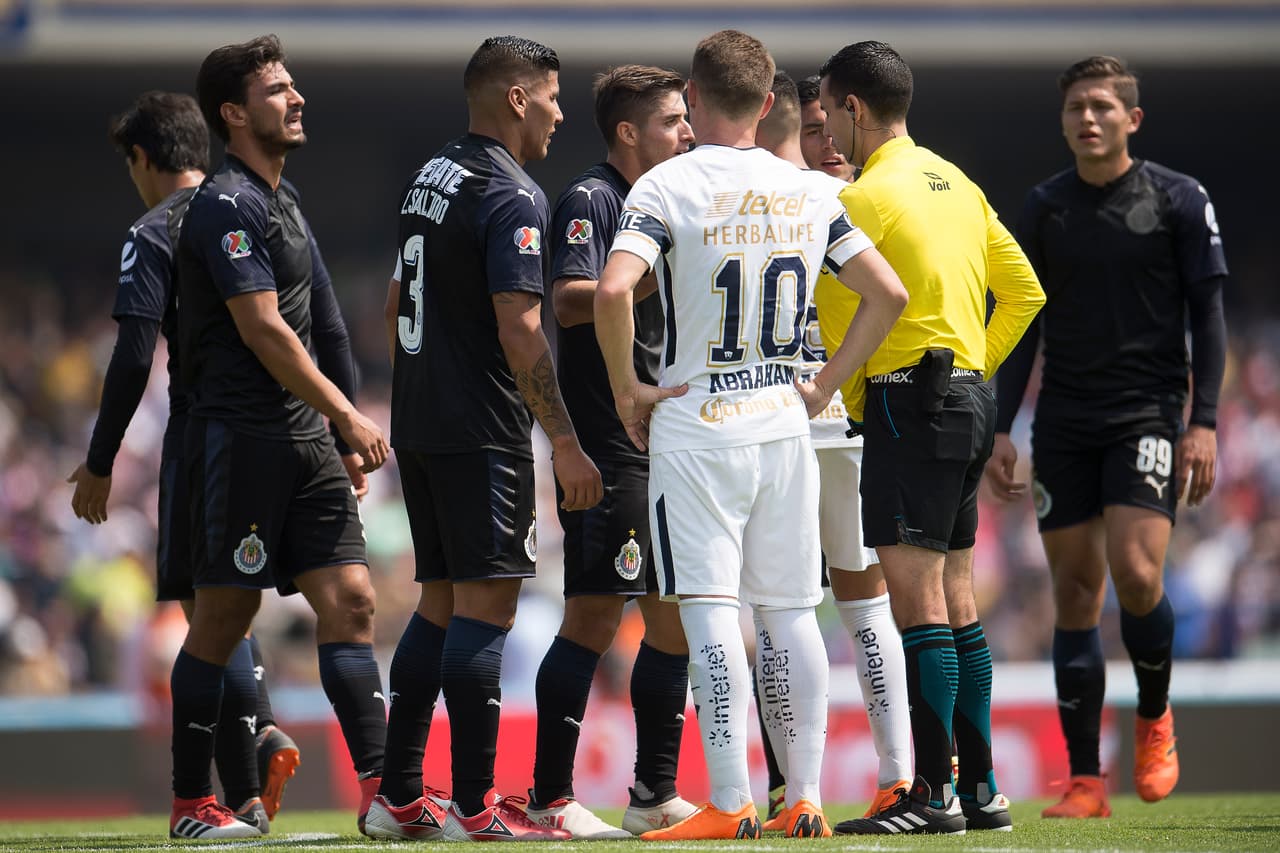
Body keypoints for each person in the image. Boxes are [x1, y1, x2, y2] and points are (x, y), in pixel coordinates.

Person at [595, 29, 908, 841]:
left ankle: (731, 798)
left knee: (709, 614)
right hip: (782, 423)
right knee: (792, 614)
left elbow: (612, 289)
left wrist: (628, 387)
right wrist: (828, 383)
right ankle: (802, 797)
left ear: (693, 100)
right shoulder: (807, 190)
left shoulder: (665, 185)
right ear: (770, 104)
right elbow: (889, 294)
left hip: (697, 426)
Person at [364, 36, 601, 843]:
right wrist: (565, 441)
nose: (561, 112)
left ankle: (398, 795)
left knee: (438, 601)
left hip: (424, 420)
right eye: (553, 96)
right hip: (481, 428)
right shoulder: (513, 194)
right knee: (488, 607)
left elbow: (397, 296)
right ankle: (474, 807)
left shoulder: (429, 177)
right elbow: (522, 325)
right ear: (516, 97)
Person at [987, 55, 1228, 819]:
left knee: (1136, 572)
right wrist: (1000, 425)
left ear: (1132, 119)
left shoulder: (1178, 200)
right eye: (1075, 109)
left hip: (1146, 413)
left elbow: (1209, 318)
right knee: (1076, 592)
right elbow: (1023, 322)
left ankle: (1155, 716)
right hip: (1064, 417)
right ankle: (1085, 778)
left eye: (1101, 106)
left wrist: (1206, 421)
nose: (1086, 119)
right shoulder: (1045, 207)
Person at [817, 40, 1044, 834]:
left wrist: (852, 390)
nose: (826, 132)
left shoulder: (861, 198)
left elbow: (843, 312)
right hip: (967, 397)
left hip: (905, 400)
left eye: (827, 114)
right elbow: (1024, 292)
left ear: (851, 107)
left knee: (917, 606)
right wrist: (973, 368)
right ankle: (982, 791)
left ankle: (934, 794)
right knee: (957, 599)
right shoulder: (958, 182)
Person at [171, 34, 389, 840]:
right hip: (244, 438)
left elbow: (322, 321)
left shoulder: (283, 200)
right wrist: (347, 412)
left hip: (306, 441)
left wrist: (340, 427)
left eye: (294, 86)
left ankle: (386, 792)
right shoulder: (224, 203)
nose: (296, 99)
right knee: (224, 619)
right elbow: (264, 330)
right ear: (233, 112)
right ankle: (194, 802)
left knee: (354, 598)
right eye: (276, 90)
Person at [67, 90, 302, 835]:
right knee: (228, 603)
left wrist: (100, 459)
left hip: (206, 442)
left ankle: (220, 778)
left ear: (143, 158)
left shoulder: (156, 228)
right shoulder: (265, 207)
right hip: (287, 434)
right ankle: (248, 792)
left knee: (206, 611)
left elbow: (137, 351)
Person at [523, 64, 698, 839]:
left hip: (666, 447)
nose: (687, 132)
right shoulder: (592, 199)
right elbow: (564, 298)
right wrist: (644, 280)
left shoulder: (660, 201)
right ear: (629, 132)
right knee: (594, 615)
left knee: (672, 620)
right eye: (672, 120)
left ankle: (654, 791)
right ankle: (551, 798)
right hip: (610, 446)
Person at [754, 70, 913, 823]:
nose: (824, 143)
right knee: (814, 604)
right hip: (811, 415)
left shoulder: (769, 198)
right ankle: (812, 784)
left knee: (830, 599)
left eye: (829, 127)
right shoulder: (846, 200)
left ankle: (881, 776)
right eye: (810, 129)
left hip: (806, 419)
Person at [797, 75, 855, 183]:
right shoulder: (772, 198)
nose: (830, 144)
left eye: (841, 128)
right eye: (814, 132)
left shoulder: (888, 197)